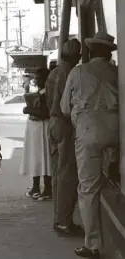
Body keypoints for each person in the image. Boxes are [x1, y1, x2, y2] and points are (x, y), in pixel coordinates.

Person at [61, 31, 119, 259]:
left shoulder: (78, 71)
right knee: (114, 179)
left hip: (88, 132)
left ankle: (92, 244)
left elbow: (65, 108)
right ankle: (114, 165)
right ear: (109, 53)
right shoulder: (117, 72)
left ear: (91, 51)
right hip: (117, 131)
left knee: (88, 188)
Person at [45, 39, 84, 237]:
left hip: (52, 123)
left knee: (57, 172)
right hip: (65, 123)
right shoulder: (72, 73)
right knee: (68, 174)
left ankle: (59, 218)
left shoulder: (54, 73)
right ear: (77, 55)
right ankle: (64, 221)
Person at [20, 68, 52, 201]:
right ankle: (36, 187)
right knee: (37, 157)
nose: (35, 80)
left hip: (42, 128)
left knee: (43, 157)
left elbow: (45, 113)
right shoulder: (40, 92)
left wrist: (28, 109)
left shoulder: (46, 94)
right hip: (36, 129)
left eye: (38, 78)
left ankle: (47, 188)